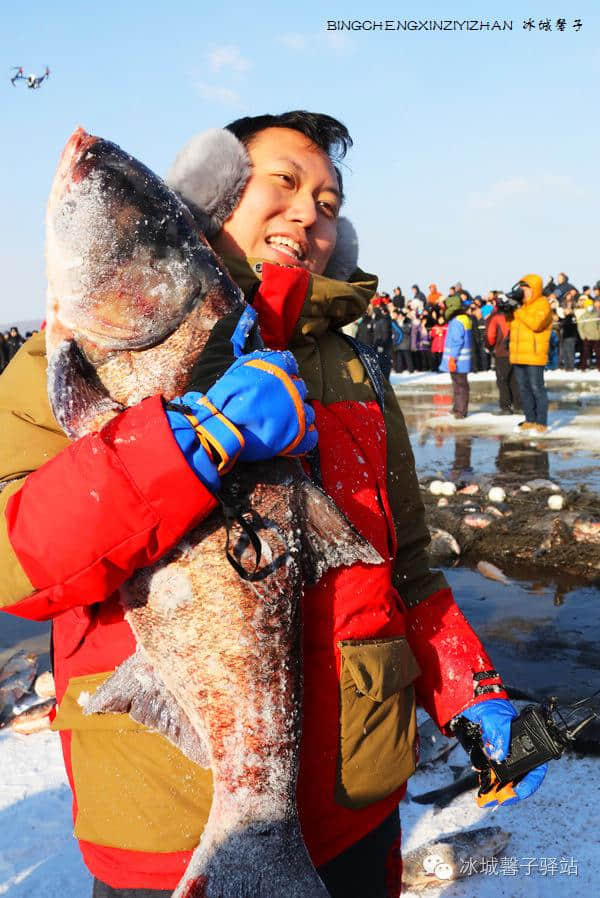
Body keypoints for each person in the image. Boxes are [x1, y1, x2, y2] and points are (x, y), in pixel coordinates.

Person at [0, 111, 545, 898]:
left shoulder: (352, 369)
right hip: (169, 826)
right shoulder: (75, 354)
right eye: (283, 183)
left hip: (357, 811)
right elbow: (14, 564)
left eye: (328, 202)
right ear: (217, 190)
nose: (307, 214)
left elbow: (408, 570)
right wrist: (189, 442)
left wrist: (472, 694)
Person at [508, 274, 552, 433]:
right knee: (523, 388)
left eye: (527, 288)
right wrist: (507, 310)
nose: (523, 291)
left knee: (537, 388)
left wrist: (518, 310)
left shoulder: (543, 304)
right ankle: (530, 419)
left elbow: (536, 324)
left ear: (535, 289)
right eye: (522, 288)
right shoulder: (521, 306)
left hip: (534, 354)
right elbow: (511, 326)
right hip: (519, 354)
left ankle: (541, 422)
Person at [440, 294, 472, 418]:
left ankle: (461, 410)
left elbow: (457, 341)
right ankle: (457, 408)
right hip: (461, 360)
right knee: (458, 385)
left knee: (460, 386)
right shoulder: (463, 319)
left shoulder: (457, 321)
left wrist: (452, 358)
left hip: (458, 360)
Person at [485, 303, 521, 414]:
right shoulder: (517, 316)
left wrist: (489, 346)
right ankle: (519, 405)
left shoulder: (496, 318)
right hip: (517, 351)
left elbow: (491, 336)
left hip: (502, 352)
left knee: (502, 380)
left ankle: (505, 406)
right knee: (515, 380)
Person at [577, 295, 600, 371]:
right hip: (587, 338)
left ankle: (599, 366)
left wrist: (599, 333)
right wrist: (583, 336)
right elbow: (580, 327)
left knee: (598, 353)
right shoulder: (583, 316)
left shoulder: (596, 314)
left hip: (596, 337)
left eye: (591, 305)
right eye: (588, 306)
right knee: (585, 354)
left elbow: (598, 324)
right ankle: (583, 367)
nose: (590, 307)